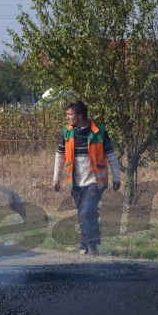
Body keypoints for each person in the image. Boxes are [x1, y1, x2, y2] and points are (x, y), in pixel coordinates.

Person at [51, 100, 120, 256]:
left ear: (79, 115)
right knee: (83, 213)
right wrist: (56, 178)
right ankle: (86, 244)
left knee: (87, 211)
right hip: (75, 182)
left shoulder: (99, 132)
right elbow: (60, 156)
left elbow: (111, 156)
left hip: (95, 181)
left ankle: (91, 246)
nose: (67, 117)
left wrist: (116, 177)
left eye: (69, 114)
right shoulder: (67, 132)